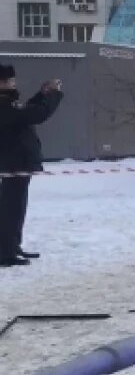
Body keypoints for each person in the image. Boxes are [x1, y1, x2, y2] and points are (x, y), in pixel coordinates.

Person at [0, 66, 63, 267]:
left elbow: (27, 110)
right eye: (9, 80)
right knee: (11, 209)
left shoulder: (8, 103)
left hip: (17, 163)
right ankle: (5, 253)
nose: (13, 83)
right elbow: (35, 115)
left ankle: (12, 246)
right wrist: (52, 95)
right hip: (13, 163)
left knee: (16, 208)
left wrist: (41, 94)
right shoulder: (3, 104)